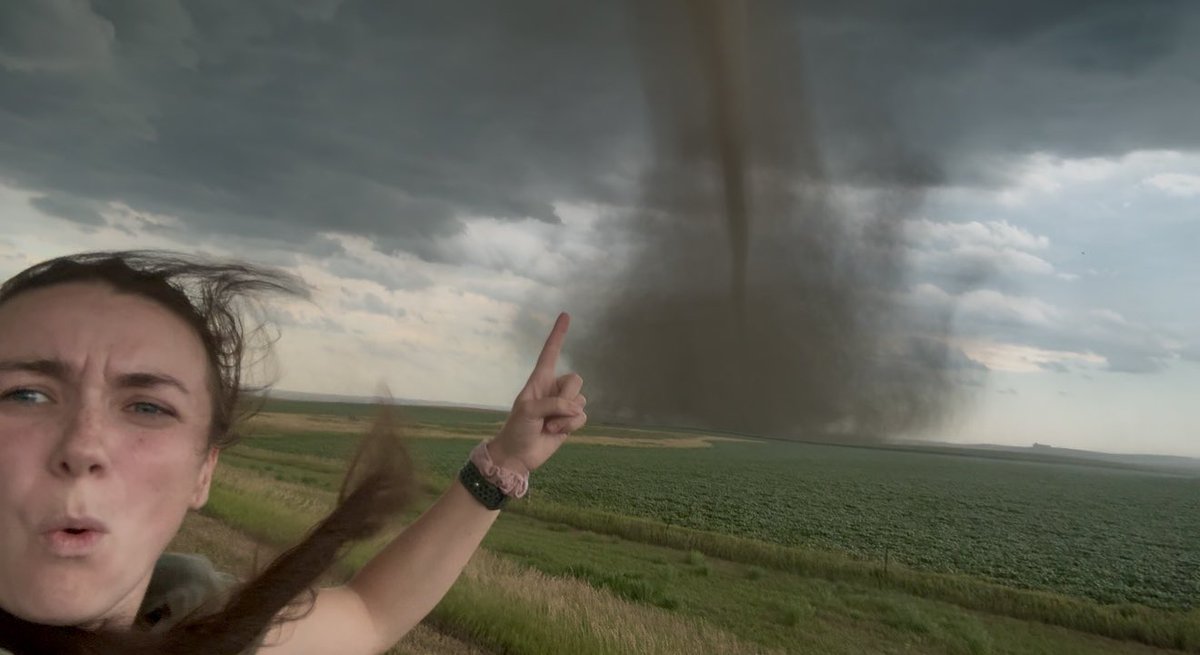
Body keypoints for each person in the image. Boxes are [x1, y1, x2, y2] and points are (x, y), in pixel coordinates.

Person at [0, 251, 587, 654]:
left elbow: (369, 613)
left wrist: (507, 462)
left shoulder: (193, 629)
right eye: (26, 394)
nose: (83, 446)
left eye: (148, 407)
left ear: (203, 473)